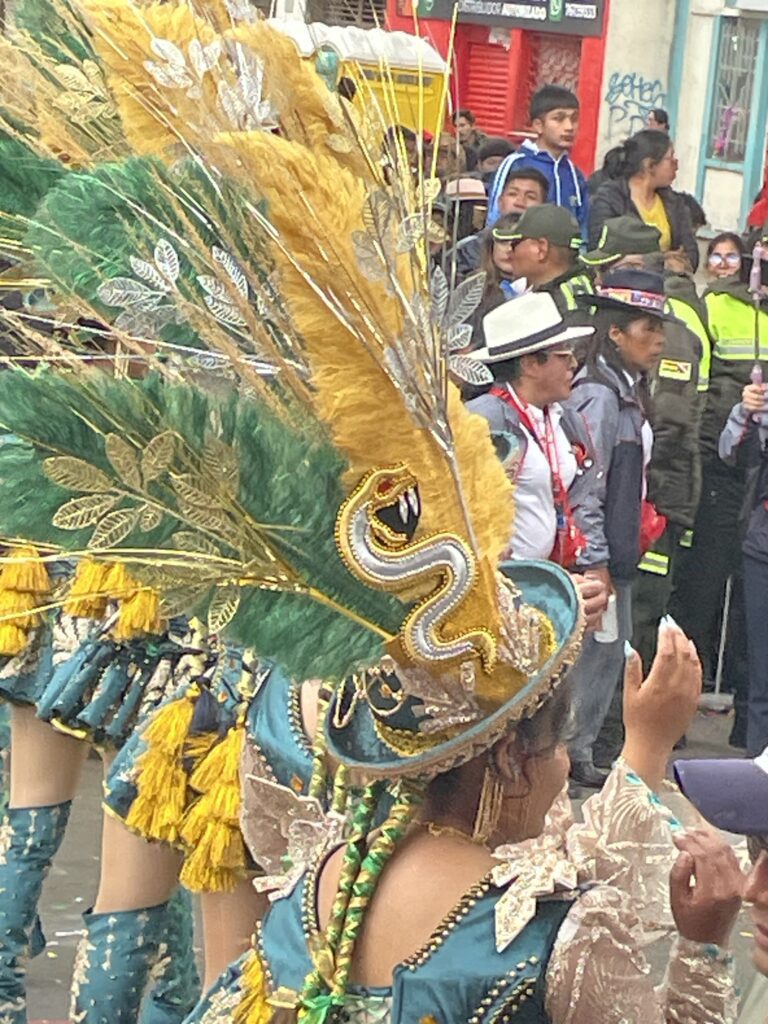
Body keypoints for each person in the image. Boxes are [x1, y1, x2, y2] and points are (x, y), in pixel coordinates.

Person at [564, 268, 675, 787]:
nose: (658, 340)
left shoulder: (626, 389)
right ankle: (571, 754)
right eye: (647, 328)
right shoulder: (599, 396)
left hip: (620, 548)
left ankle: (580, 750)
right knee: (594, 654)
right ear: (614, 332)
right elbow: (587, 486)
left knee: (609, 653)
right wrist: (596, 560)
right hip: (601, 555)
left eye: (660, 328)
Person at [670, 229, 757, 747]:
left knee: (754, 608)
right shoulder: (715, 306)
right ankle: (675, 714)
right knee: (700, 595)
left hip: (758, 476)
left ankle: (751, 725)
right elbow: (702, 387)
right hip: (723, 465)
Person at [718, 380, 768, 755]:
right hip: (761, 549)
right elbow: (729, 451)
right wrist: (745, 412)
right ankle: (758, 760)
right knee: (761, 668)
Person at [486, 85, 589, 237]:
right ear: (538, 126)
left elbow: (583, 226)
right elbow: (495, 218)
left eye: (573, 119)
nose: (569, 127)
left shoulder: (574, 174)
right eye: (559, 119)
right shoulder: (515, 164)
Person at [589, 129, 699, 270]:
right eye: (670, 159)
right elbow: (601, 251)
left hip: (666, 281)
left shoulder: (674, 203)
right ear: (650, 165)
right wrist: (663, 259)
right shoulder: (610, 199)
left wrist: (641, 260)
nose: (676, 166)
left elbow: (691, 255)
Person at [446, 168, 549, 282]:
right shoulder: (466, 251)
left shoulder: (552, 252)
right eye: (513, 194)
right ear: (500, 202)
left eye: (530, 197)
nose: (520, 202)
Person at [496, 204, 592, 314]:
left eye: (514, 244)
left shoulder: (555, 309)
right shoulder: (587, 287)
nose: (509, 251)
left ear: (541, 249)